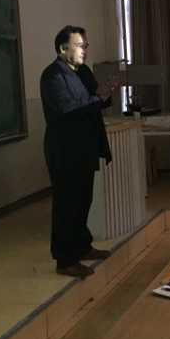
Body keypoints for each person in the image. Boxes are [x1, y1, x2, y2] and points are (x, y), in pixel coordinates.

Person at [40, 26, 117, 278]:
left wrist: (106, 93)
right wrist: (97, 99)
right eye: (79, 45)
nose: (84, 49)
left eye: (85, 45)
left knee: (84, 200)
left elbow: (95, 100)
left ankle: (82, 246)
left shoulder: (81, 72)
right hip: (64, 149)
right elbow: (68, 109)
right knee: (67, 204)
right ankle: (65, 260)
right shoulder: (52, 75)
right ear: (63, 48)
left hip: (84, 147)